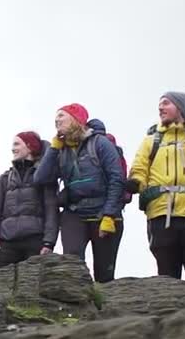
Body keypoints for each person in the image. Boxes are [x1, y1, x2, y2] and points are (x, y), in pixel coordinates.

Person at [34, 103, 126, 283]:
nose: (57, 120)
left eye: (62, 115)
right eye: (56, 117)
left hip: (103, 213)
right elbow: (40, 178)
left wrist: (109, 215)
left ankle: (105, 307)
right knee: (72, 264)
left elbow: (117, 178)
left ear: (77, 120)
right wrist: (53, 149)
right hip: (74, 212)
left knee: (104, 273)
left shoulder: (100, 143)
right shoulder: (60, 149)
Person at [127, 92, 185, 280]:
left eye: (166, 103)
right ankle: (170, 308)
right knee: (166, 271)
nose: (161, 108)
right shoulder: (151, 140)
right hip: (160, 212)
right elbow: (140, 167)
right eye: (160, 104)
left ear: (181, 108)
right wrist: (136, 182)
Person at [0, 131, 57, 267]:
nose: (13, 148)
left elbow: (51, 210)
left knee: (34, 281)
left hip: (35, 241)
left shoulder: (45, 176)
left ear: (30, 147)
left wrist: (49, 242)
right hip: (7, 242)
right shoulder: (5, 178)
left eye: (17, 144)